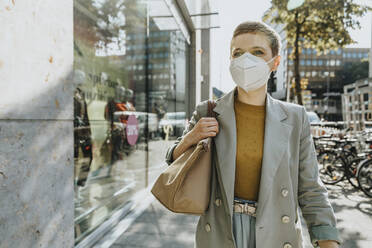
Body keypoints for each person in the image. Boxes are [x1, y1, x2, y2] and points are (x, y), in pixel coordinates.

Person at [164, 21, 341, 248]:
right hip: (220, 232)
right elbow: (173, 161)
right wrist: (191, 137)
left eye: (258, 52)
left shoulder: (296, 117)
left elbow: (311, 189)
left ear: (275, 62)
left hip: (277, 232)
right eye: (238, 53)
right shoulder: (208, 111)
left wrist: (328, 240)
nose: (246, 60)